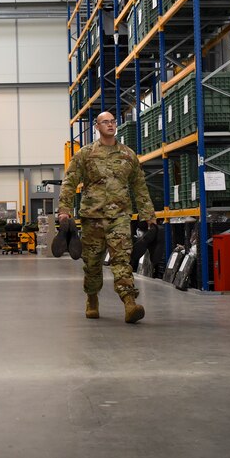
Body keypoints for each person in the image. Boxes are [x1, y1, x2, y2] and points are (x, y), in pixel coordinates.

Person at [57, 111, 156, 324]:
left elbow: (139, 186)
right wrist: (64, 210)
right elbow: (70, 182)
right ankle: (92, 298)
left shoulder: (128, 155)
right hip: (92, 217)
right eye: (105, 122)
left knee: (122, 259)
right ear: (97, 126)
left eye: (113, 121)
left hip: (119, 217)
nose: (110, 124)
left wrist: (148, 214)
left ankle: (130, 302)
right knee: (92, 263)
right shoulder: (85, 154)